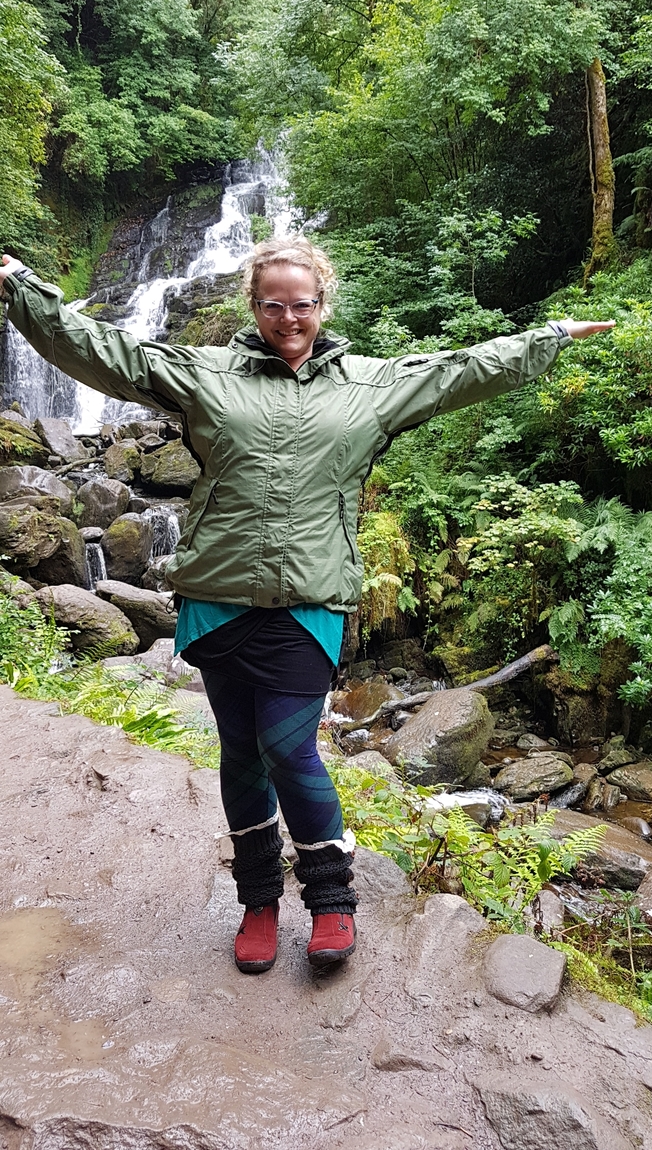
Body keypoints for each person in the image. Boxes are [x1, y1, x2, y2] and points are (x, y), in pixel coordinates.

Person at [0, 239, 614, 975]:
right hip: (220, 591)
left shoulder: (372, 383)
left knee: (289, 749)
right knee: (238, 752)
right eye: (273, 303)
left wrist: (544, 339)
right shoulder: (205, 372)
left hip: (310, 596)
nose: (288, 317)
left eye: (302, 303)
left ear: (323, 305)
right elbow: (107, 352)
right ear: (253, 307)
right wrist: (22, 287)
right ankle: (259, 901)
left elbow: (459, 369)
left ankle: (330, 903)